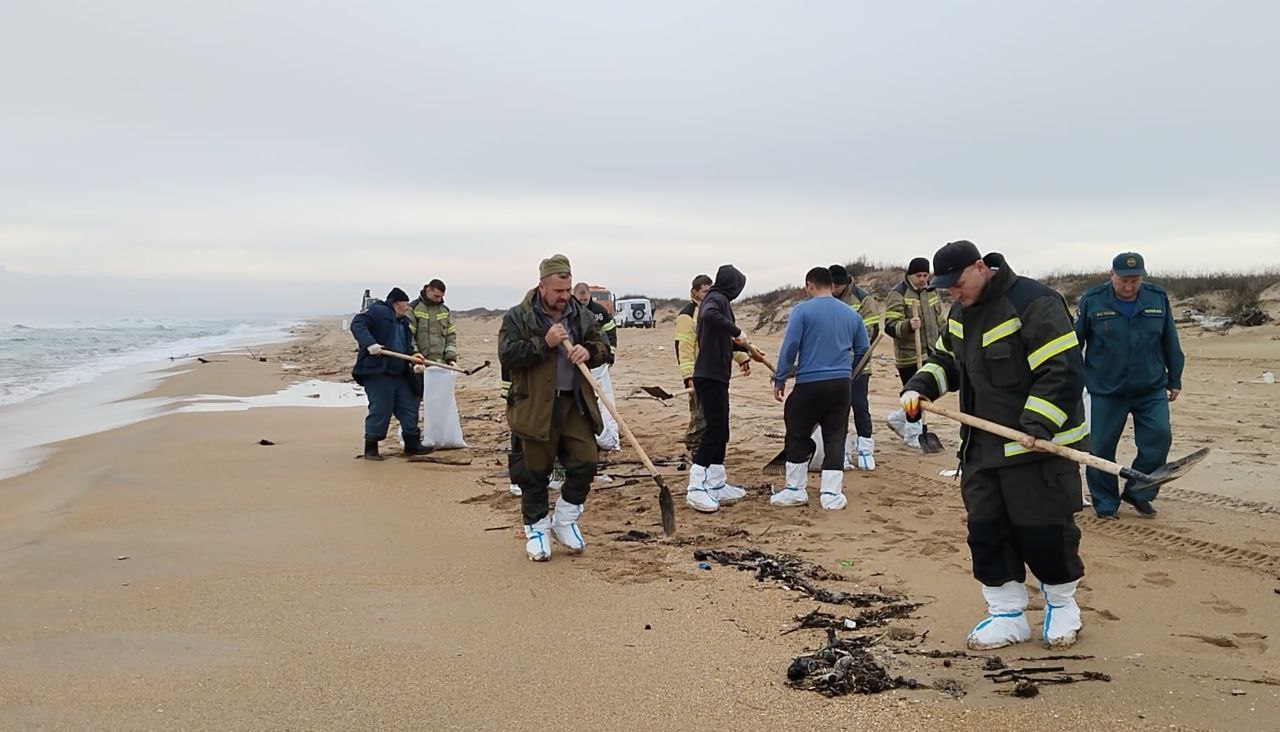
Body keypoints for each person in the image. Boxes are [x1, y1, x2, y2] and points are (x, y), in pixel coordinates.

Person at [901, 240, 1088, 650]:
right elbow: (945, 361)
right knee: (987, 533)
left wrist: (1039, 424)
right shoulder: (959, 314)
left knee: (1045, 532)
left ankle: (1062, 607)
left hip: (1034, 449)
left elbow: (1062, 370)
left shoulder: (1035, 303)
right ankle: (1007, 615)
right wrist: (919, 387)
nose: (954, 293)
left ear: (981, 267)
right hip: (981, 449)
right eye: (947, 288)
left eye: (958, 283)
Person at [498, 254, 610, 561]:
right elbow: (507, 356)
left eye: (568, 289)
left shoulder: (581, 315)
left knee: (586, 462)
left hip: (575, 403)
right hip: (534, 406)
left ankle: (565, 518)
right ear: (542, 286)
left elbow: (605, 347)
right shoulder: (518, 317)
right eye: (558, 291)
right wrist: (543, 343)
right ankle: (536, 529)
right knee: (533, 472)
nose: (564, 296)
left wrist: (589, 351)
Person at [1075, 252, 1184, 519]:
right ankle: (1105, 502)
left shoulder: (1156, 298)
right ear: (1112, 274)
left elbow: (1170, 339)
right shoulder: (1092, 300)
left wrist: (1175, 378)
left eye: (1135, 280)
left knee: (1159, 437)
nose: (1129, 286)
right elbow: (1074, 342)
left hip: (1150, 386)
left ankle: (1138, 492)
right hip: (1106, 389)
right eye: (1124, 280)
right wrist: (1070, 378)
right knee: (1100, 448)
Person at [771, 267, 868, 510]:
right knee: (835, 435)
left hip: (809, 383)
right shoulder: (851, 314)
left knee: (797, 433)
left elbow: (790, 346)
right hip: (840, 385)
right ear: (831, 285)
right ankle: (831, 495)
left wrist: (781, 377)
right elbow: (863, 349)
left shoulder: (802, 310)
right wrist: (850, 372)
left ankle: (795, 490)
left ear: (809, 285)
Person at [685, 265, 752, 513]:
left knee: (722, 430)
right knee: (714, 431)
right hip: (709, 376)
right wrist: (736, 330)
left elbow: (721, 340)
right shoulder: (716, 299)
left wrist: (744, 351)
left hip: (718, 376)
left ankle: (716, 483)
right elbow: (709, 315)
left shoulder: (721, 300)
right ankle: (696, 487)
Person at [350, 288, 432, 460]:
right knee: (380, 409)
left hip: (400, 373)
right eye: (406, 303)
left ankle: (412, 445)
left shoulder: (404, 323)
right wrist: (370, 344)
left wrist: (415, 357)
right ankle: (371, 448)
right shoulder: (378, 312)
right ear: (397, 303)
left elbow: (407, 347)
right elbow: (357, 324)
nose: (408, 307)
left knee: (409, 407)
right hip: (378, 372)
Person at [675, 274, 749, 459]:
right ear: (695, 292)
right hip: (701, 372)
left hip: (716, 371)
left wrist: (742, 358)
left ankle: (711, 461)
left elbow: (725, 339)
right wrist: (688, 376)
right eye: (704, 291)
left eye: (710, 290)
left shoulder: (717, 308)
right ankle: (696, 453)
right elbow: (684, 347)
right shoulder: (688, 316)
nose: (708, 294)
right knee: (700, 418)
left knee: (716, 420)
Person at [883, 257, 946, 446]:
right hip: (909, 355)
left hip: (931, 351)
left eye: (926, 275)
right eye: (919, 275)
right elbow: (890, 326)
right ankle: (913, 434)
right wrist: (908, 325)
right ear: (910, 274)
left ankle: (898, 418)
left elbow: (940, 319)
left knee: (927, 392)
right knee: (914, 394)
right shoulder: (898, 293)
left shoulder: (932, 290)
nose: (923, 279)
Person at [830, 264, 881, 471]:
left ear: (845, 283)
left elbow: (870, 331)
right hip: (834, 366)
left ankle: (865, 450)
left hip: (859, 364)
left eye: (837, 286)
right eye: (831, 285)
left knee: (859, 406)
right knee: (837, 411)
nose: (834, 289)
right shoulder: (825, 300)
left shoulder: (863, 299)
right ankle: (840, 451)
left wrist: (853, 355)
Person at [573, 281, 621, 451]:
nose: (583, 303)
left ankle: (609, 437)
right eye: (580, 300)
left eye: (586, 300)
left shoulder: (599, 312)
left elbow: (610, 333)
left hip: (597, 361)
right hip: (578, 363)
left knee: (604, 398)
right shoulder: (570, 312)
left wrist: (610, 354)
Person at [409, 279, 458, 365]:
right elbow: (409, 335)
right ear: (428, 290)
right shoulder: (414, 308)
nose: (438, 299)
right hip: (421, 362)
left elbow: (451, 336)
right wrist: (415, 354)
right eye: (436, 296)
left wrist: (451, 358)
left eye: (441, 297)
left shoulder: (445, 311)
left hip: (442, 363)